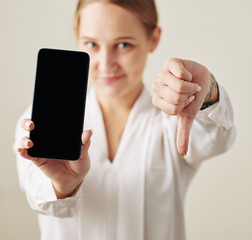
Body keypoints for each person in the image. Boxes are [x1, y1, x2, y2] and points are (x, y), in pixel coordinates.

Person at [14, 0, 236, 239]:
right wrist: (63, 186)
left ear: (153, 38)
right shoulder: (37, 122)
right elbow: (40, 199)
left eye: (123, 44)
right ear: (77, 38)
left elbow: (218, 136)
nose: (106, 63)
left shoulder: (173, 120)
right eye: (91, 44)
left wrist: (207, 92)